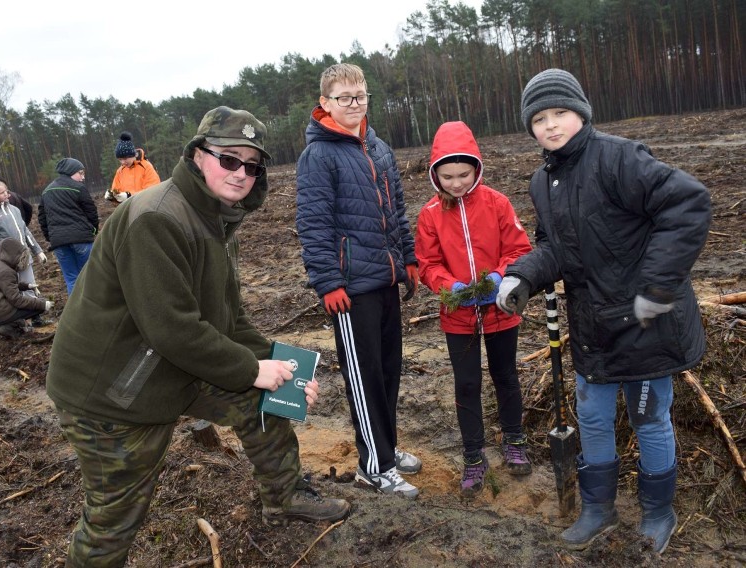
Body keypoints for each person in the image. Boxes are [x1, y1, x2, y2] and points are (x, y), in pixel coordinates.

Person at [46, 106, 350, 566]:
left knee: (261, 399)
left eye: (252, 165)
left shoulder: (216, 220)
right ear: (196, 156)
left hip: (169, 367)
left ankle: (284, 496)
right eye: (229, 159)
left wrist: (281, 365)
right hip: (113, 392)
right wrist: (252, 369)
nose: (241, 173)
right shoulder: (157, 218)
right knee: (114, 519)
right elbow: (173, 329)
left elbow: (228, 318)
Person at [496, 68, 712, 554]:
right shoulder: (542, 180)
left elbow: (688, 205)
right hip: (594, 325)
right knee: (592, 416)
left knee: (649, 418)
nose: (551, 126)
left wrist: (657, 286)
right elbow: (555, 246)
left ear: (582, 113)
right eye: (540, 118)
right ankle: (599, 507)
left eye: (561, 114)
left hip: (644, 323)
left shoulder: (619, 159)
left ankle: (659, 512)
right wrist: (523, 275)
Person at [295, 63, 421, 499]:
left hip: (385, 279)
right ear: (325, 103)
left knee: (388, 370)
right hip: (351, 289)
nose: (355, 104)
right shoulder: (319, 155)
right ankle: (374, 466)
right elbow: (313, 224)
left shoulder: (377, 147)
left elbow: (398, 210)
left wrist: (408, 259)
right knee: (364, 378)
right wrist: (328, 282)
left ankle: (385, 448)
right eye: (345, 98)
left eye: (361, 96)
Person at [415, 121, 534, 496]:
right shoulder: (431, 215)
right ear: (435, 174)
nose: (456, 183)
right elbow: (427, 264)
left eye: (463, 174)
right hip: (459, 314)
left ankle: (514, 440)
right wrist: (452, 287)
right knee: (467, 384)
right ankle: (472, 455)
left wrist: (500, 278)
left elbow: (519, 249)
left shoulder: (497, 203)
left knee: (505, 376)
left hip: (500, 308)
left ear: (476, 168)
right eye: (447, 176)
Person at [0, 178, 50, 327]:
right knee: (14, 293)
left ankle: (36, 318)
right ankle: (20, 322)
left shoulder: (15, 210)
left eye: (7, 191)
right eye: (2, 193)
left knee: (30, 287)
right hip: (6, 265)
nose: (7, 195)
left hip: (24, 259)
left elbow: (25, 232)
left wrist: (37, 251)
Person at [37, 157, 99, 295]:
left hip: (59, 242)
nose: (83, 178)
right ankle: (95, 308)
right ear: (71, 172)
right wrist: (93, 230)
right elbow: (91, 212)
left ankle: (77, 312)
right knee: (90, 276)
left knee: (71, 279)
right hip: (81, 239)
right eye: (80, 173)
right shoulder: (78, 188)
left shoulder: (47, 191)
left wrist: (51, 237)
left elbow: (42, 217)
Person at [0, 237, 54, 338]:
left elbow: (6, 286)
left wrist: (27, 286)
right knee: (38, 306)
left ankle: (11, 324)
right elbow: (17, 300)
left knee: (35, 304)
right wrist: (43, 304)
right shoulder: (5, 271)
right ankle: (9, 327)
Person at [104, 131, 160, 204]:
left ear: (133, 155)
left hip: (146, 208)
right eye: (120, 159)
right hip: (128, 210)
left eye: (125, 158)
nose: (123, 162)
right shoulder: (120, 171)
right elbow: (117, 194)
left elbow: (152, 191)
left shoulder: (146, 167)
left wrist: (129, 196)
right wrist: (112, 197)